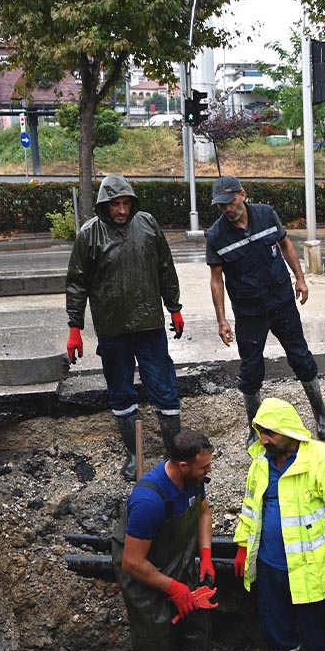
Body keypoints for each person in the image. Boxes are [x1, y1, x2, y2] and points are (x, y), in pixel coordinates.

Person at [66, 173, 186, 480]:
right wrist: (74, 327)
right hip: (112, 331)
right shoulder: (89, 234)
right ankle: (134, 456)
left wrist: (174, 308)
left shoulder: (147, 224)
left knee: (163, 389)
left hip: (149, 328)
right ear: (104, 205)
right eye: (114, 204)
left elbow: (165, 268)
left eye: (125, 203)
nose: (121, 210)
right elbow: (77, 283)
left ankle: (176, 452)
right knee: (120, 393)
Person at [232, 398, 325, 651]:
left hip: (310, 569)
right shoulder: (261, 463)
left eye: (270, 433)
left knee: (317, 632)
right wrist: (243, 547)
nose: (264, 440)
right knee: (276, 627)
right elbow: (251, 508)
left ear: (289, 431)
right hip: (270, 568)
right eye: (260, 433)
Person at [206, 177, 325, 442]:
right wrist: (222, 320)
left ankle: (321, 413)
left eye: (230, 202)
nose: (227, 209)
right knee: (251, 370)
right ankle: (255, 429)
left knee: (300, 357)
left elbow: (286, 244)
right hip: (249, 311)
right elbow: (216, 279)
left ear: (242, 195)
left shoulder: (265, 214)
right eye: (221, 206)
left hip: (281, 302)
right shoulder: (216, 235)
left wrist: (300, 278)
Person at [112, 430, 216, 651]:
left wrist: (207, 556)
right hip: (146, 580)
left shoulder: (193, 480)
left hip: (180, 565)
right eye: (204, 467)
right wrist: (173, 588)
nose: (209, 471)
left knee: (197, 639)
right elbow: (132, 562)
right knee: (157, 650)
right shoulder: (149, 501)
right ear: (182, 466)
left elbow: (203, 513)